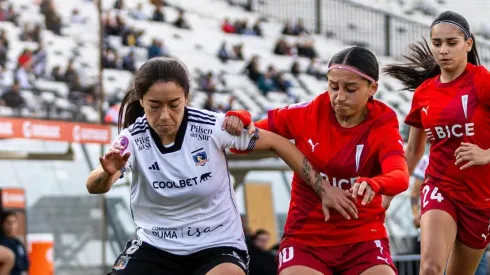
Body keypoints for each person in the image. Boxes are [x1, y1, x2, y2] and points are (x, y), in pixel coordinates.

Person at [85, 57, 356, 275]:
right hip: (157, 246)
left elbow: (280, 143)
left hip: (216, 246)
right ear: (142, 101)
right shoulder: (132, 139)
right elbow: (95, 185)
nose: (164, 115)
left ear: (186, 99)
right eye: (154, 105)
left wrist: (323, 188)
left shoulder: (213, 127)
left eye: (174, 105)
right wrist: (107, 174)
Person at [223, 46, 409, 275]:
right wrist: (241, 118)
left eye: (350, 89)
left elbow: (400, 175)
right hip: (306, 238)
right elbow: (241, 141)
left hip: (363, 238)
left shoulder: (383, 122)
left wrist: (375, 183)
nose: (339, 97)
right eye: (333, 86)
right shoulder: (307, 113)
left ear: (372, 88)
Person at [384, 11, 490, 275]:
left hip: (481, 200)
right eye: (437, 43)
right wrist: (386, 196)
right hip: (440, 186)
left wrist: (486, 154)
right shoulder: (424, 92)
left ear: (468, 44)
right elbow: (413, 150)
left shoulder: (482, 81)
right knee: (430, 268)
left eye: (451, 43)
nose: (443, 50)